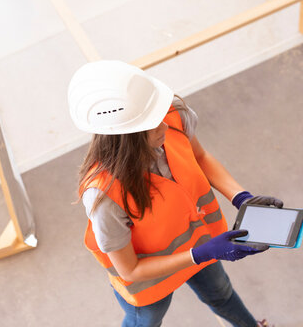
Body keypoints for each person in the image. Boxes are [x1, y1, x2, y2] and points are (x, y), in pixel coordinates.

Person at [68, 60, 283, 327]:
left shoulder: (172, 114)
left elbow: (201, 156)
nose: (165, 126)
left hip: (203, 245)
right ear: (127, 137)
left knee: (222, 295)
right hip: (151, 280)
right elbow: (130, 270)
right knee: (146, 322)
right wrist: (200, 254)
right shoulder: (104, 195)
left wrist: (241, 197)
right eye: (153, 124)